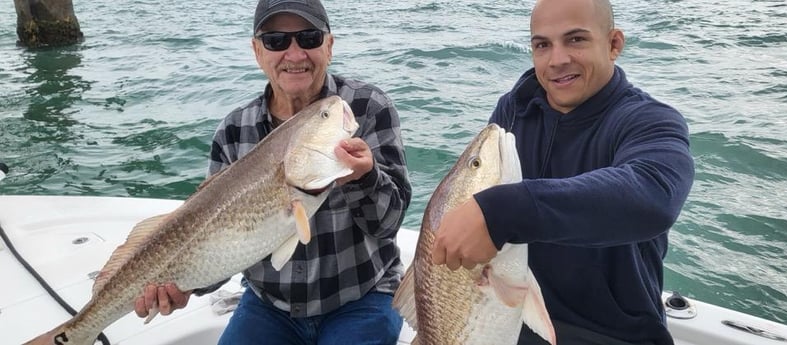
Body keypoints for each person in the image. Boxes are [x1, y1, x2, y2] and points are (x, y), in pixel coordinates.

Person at [132, 0, 412, 344]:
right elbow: (216, 238)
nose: (294, 55)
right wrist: (182, 286)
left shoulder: (366, 108)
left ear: (329, 45)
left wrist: (364, 179)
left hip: (361, 295)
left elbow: (388, 225)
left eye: (308, 38)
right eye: (276, 41)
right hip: (270, 304)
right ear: (256, 50)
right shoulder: (233, 131)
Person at [431, 0, 695, 344]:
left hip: (613, 333)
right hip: (511, 318)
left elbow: (653, 196)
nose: (557, 60)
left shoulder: (650, 121)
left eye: (576, 40)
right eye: (543, 45)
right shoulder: (514, 110)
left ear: (614, 44)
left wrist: (504, 210)